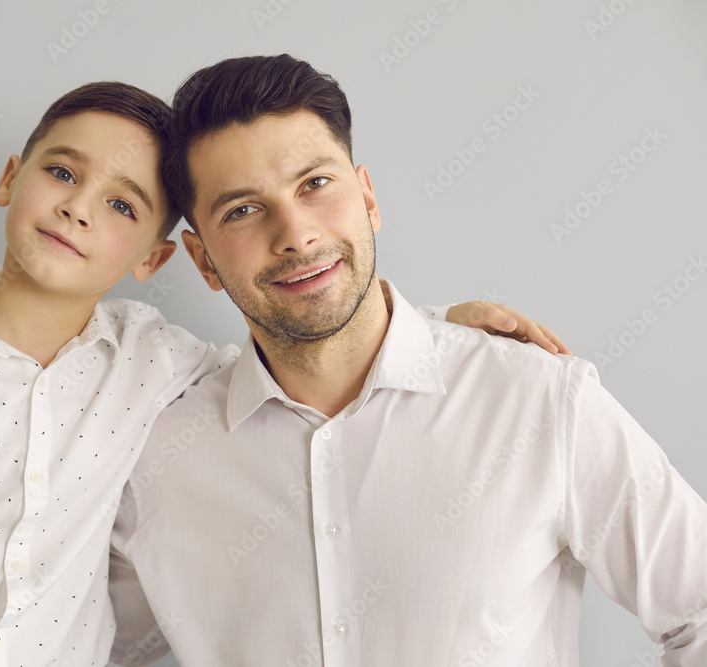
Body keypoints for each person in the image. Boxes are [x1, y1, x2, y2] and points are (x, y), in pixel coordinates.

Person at [0, 80, 557, 666]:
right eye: (61, 173)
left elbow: (293, 359)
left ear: (155, 257)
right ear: (10, 178)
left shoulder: (150, 358)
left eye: (123, 206)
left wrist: (434, 327)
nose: (79, 208)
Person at [107, 55, 707, 666]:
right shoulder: (152, 457)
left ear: (366, 198)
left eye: (315, 184)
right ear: (203, 260)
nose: (295, 233)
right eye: (242, 210)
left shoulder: (539, 401)